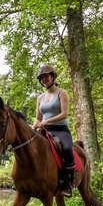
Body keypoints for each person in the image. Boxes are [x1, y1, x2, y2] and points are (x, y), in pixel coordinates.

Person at [32, 65, 74, 197]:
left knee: (67, 148)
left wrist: (47, 121)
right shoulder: (40, 98)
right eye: (41, 78)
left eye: (46, 76)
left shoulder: (62, 93)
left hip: (60, 130)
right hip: (45, 130)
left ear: (52, 77)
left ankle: (68, 183)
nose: (44, 80)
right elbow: (38, 118)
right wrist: (32, 127)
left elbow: (64, 114)